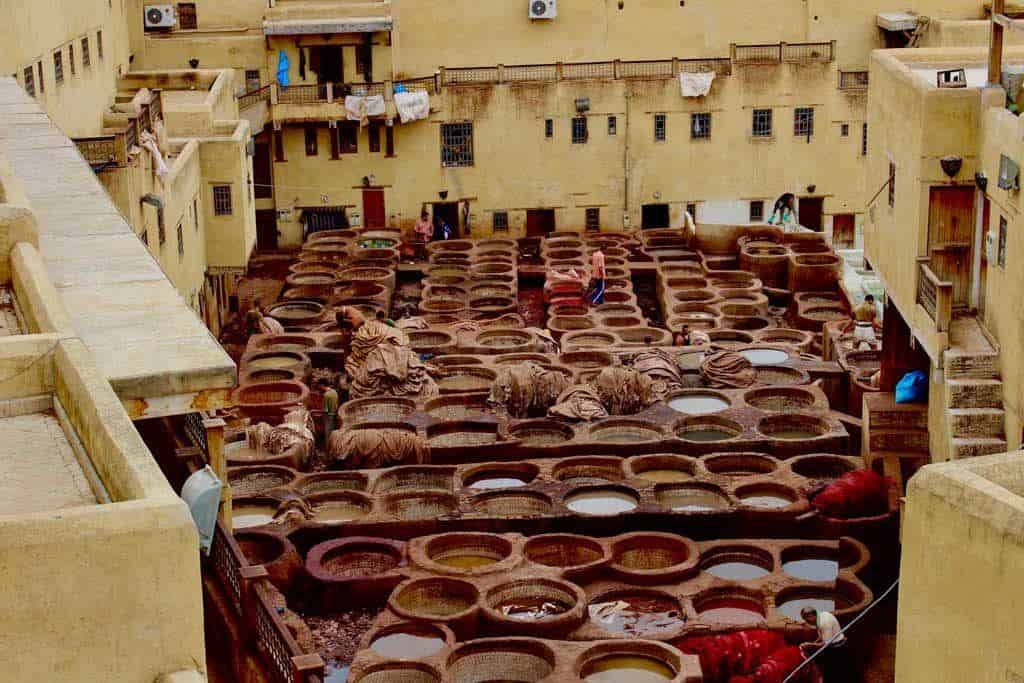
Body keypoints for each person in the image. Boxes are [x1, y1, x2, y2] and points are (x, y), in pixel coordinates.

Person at [801, 606, 850, 682]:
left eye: (807, 620)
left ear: (811, 616)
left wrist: (809, 644)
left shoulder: (825, 622)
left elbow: (826, 644)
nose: (807, 622)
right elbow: (821, 636)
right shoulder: (820, 616)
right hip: (832, 644)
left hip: (837, 648)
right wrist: (814, 643)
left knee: (833, 672)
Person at [318, 379, 339, 448]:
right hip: (335, 415)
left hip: (328, 416)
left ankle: (328, 450)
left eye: (319, 386)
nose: (319, 387)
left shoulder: (326, 395)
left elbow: (325, 410)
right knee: (333, 434)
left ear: (322, 385)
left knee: (327, 435)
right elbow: (337, 404)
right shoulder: (334, 392)